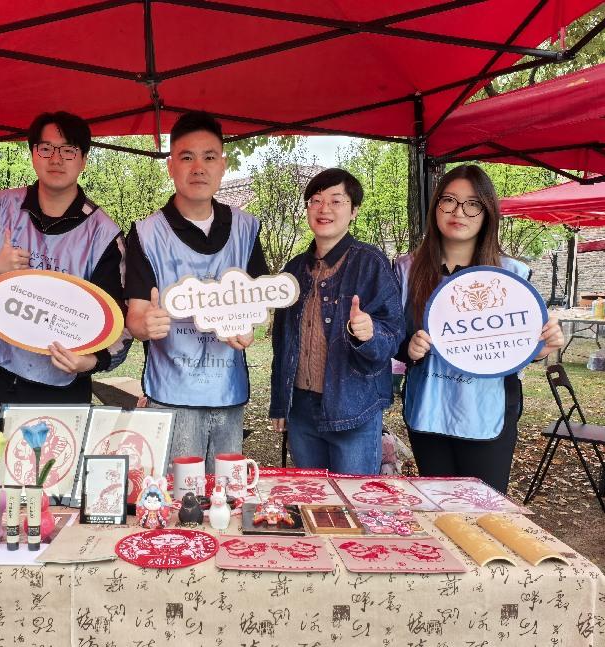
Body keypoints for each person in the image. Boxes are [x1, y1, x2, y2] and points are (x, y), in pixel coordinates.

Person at [0, 111, 130, 419]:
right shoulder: (2, 206)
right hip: (1, 376)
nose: (56, 159)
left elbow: (120, 322)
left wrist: (92, 361)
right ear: (33, 154)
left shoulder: (104, 234)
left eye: (68, 150)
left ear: (84, 159)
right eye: (46, 148)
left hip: (66, 387)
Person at [395, 164, 564, 493]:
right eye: (449, 200)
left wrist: (539, 349)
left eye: (472, 204)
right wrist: (409, 348)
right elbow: (393, 339)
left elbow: (518, 344)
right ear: (435, 206)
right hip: (428, 411)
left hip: (487, 414)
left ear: (487, 213)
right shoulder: (406, 269)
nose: (459, 212)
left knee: (484, 510)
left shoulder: (512, 273)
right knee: (438, 509)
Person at [124, 111, 269, 472]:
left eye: (209, 157)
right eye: (187, 157)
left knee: (227, 493)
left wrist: (248, 326)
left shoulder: (246, 229)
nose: (198, 168)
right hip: (171, 394)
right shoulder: (146, 234)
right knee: (179, 495)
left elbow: (259, 304)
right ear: (171, 166)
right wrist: (145, 325)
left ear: (222, 165)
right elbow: (136, 316)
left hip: (228, 391)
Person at [269, 168, 403, 475]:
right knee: (314, 495)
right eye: (315, 200)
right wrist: (280, 402)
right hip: (301, 409)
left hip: (353, 408)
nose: (324, 209)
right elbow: (282, 340)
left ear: (354, 211)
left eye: (336, 201)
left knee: (353, 498)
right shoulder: (293, 269)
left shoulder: (370, 263)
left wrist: (369, 334)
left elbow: (394, 333)